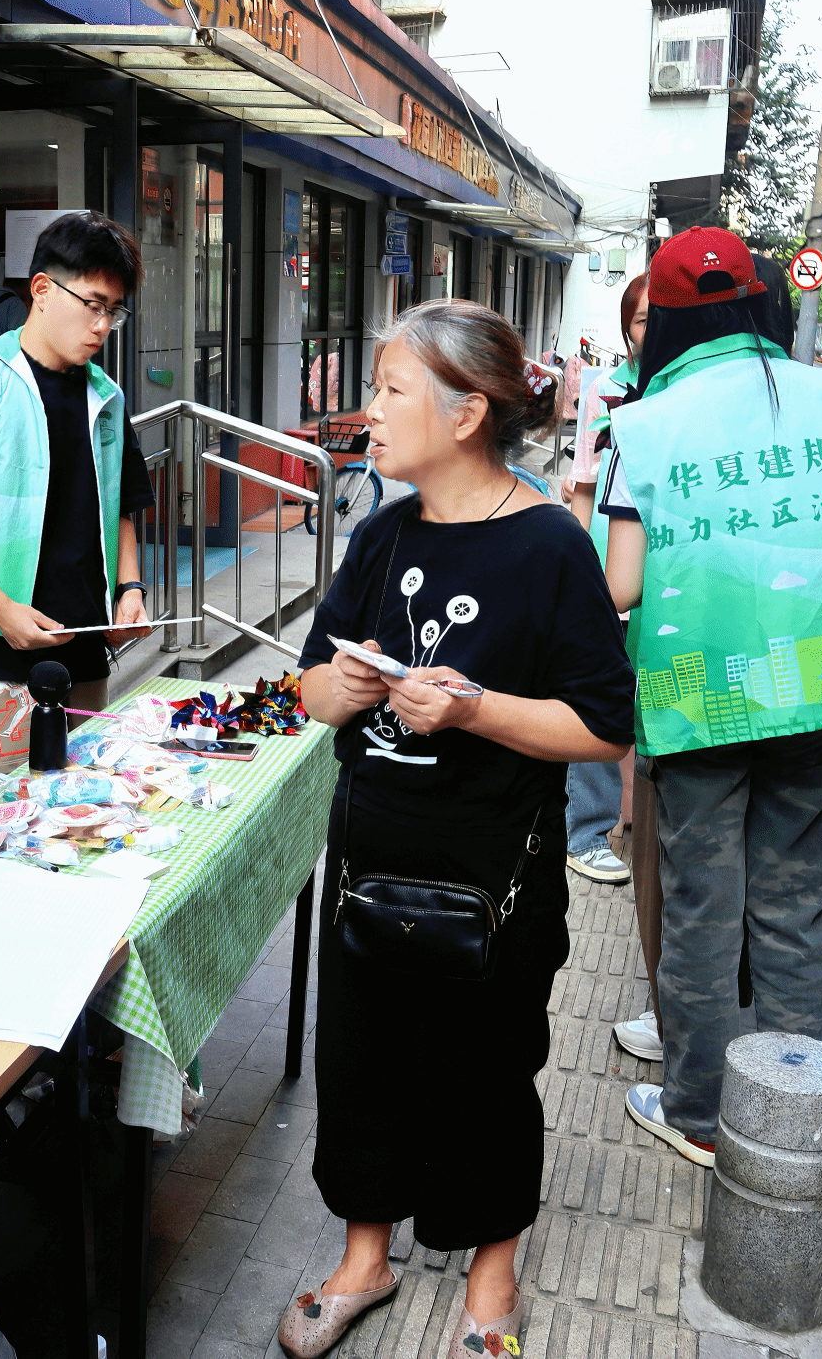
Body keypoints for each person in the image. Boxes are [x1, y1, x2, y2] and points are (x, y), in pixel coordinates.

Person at [278, 300, 635, 1359]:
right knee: (361, 1061)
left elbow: (603, 727)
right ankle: (364, 1256)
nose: (370, 410)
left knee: (485, 1072)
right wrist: (341, 688)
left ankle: (491, 1274)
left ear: (468, 412)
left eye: (391, 390)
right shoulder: (382, 532)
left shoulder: (549, 545)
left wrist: (473, 710)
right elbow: (308, 688)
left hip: (496, 872)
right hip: (372, 856)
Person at [597, 228, 822, 1168]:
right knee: (797, 912)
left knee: (703, 910)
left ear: (664, 320)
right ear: (760, 303)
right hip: (814, 690)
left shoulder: (642, 424)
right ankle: (800, 1121)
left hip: (695, 702)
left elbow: (619, 586)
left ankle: (697, 1113)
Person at [0, 211, 155, 793]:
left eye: (114, 311)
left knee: (77, 808)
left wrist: (130, 590)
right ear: (42, 290)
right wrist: (0, 609)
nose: (102, 325)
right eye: (92, 304)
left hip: (85, 645)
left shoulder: (106, 397)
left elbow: (122, 505)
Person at [562, 274, 648, 891]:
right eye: (642, 320)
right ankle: (588, 832)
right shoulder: (605, 392)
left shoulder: (690, 394)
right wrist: (573, 566)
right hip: (608, 558)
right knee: (597, 689)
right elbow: (585, 484)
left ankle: (646, 813)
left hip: (673, 566)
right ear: (626, 329)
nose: (653, 331)